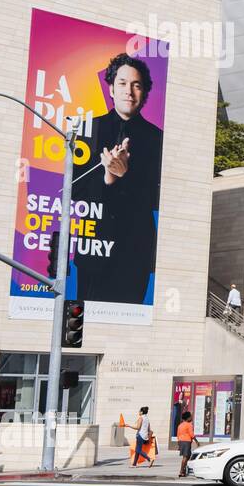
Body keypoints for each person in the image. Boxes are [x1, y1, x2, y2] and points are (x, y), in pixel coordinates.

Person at [73, 54, 164, 305]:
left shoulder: (158, 139)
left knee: (125, 326)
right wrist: (108, 178)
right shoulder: (86, 130)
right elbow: (74, 190)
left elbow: (158, 198)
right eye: (122, 83)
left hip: (134, 251)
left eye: (136, 85)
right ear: (111, 88)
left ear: (144, 93)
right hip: (94, 247)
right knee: (82, 327)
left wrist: (124, 177)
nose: (129, 91)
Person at [176, 410, 199, 477]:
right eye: (190, 417)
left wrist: (179, 443)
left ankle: (184, 471)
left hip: (181, 441)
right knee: (186, 457)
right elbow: (191, 434)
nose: (191, 418)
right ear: (188, 418)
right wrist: (197, 441)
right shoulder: (189, 425)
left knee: (187, 456)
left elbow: (178, 435)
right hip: (186, 442)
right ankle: (181, 471)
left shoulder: (180, 425)